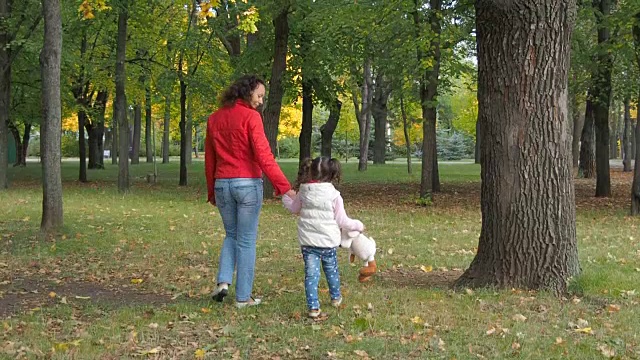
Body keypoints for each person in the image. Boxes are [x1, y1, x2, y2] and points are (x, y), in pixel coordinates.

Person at [205, 74, 295, 308]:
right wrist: (285, 188)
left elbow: (210, 159)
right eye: (259, 95)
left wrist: (211, 191)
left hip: (222, 184)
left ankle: (223, 282)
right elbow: (264, 156)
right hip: (246, 185)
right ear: (247, 92)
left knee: (231, 235)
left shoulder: (214, 119)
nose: (261, 101)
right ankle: (243, 298)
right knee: (245, 240)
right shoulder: (251, 118)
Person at [282, 157, 365, 318]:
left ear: (311, 171)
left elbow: (294, 208)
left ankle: (313, 307)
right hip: (328, 242)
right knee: (331, 271)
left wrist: (285, 196)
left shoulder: (304, 191)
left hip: (308, 242)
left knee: (311, 274)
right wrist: (359, 225)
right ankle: (335, 297)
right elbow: (342, 221)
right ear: (331, 174)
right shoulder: (334, 195)